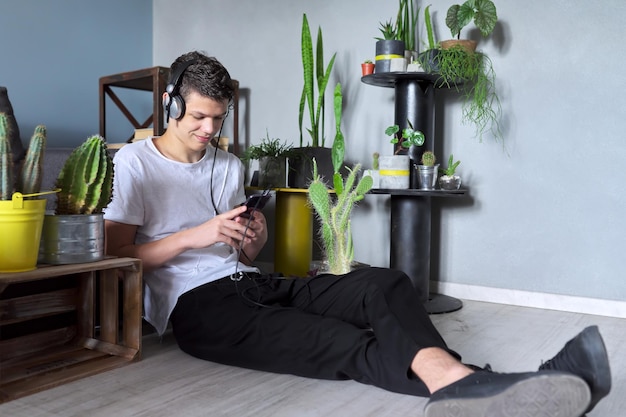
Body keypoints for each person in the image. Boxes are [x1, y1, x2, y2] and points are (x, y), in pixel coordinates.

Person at [104, 51, 611, 416]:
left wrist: (249, 239)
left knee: (385, 283)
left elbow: (242, 249)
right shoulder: (135, 163)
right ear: (171, 104)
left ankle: (475, 390)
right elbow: (117, 255)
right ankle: (496, 385)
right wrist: (197, 235)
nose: (209, 130)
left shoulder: (228, 165)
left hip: (252, 282)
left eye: (217, 119)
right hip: (198, 309)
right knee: (340, 339)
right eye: (198, 117)